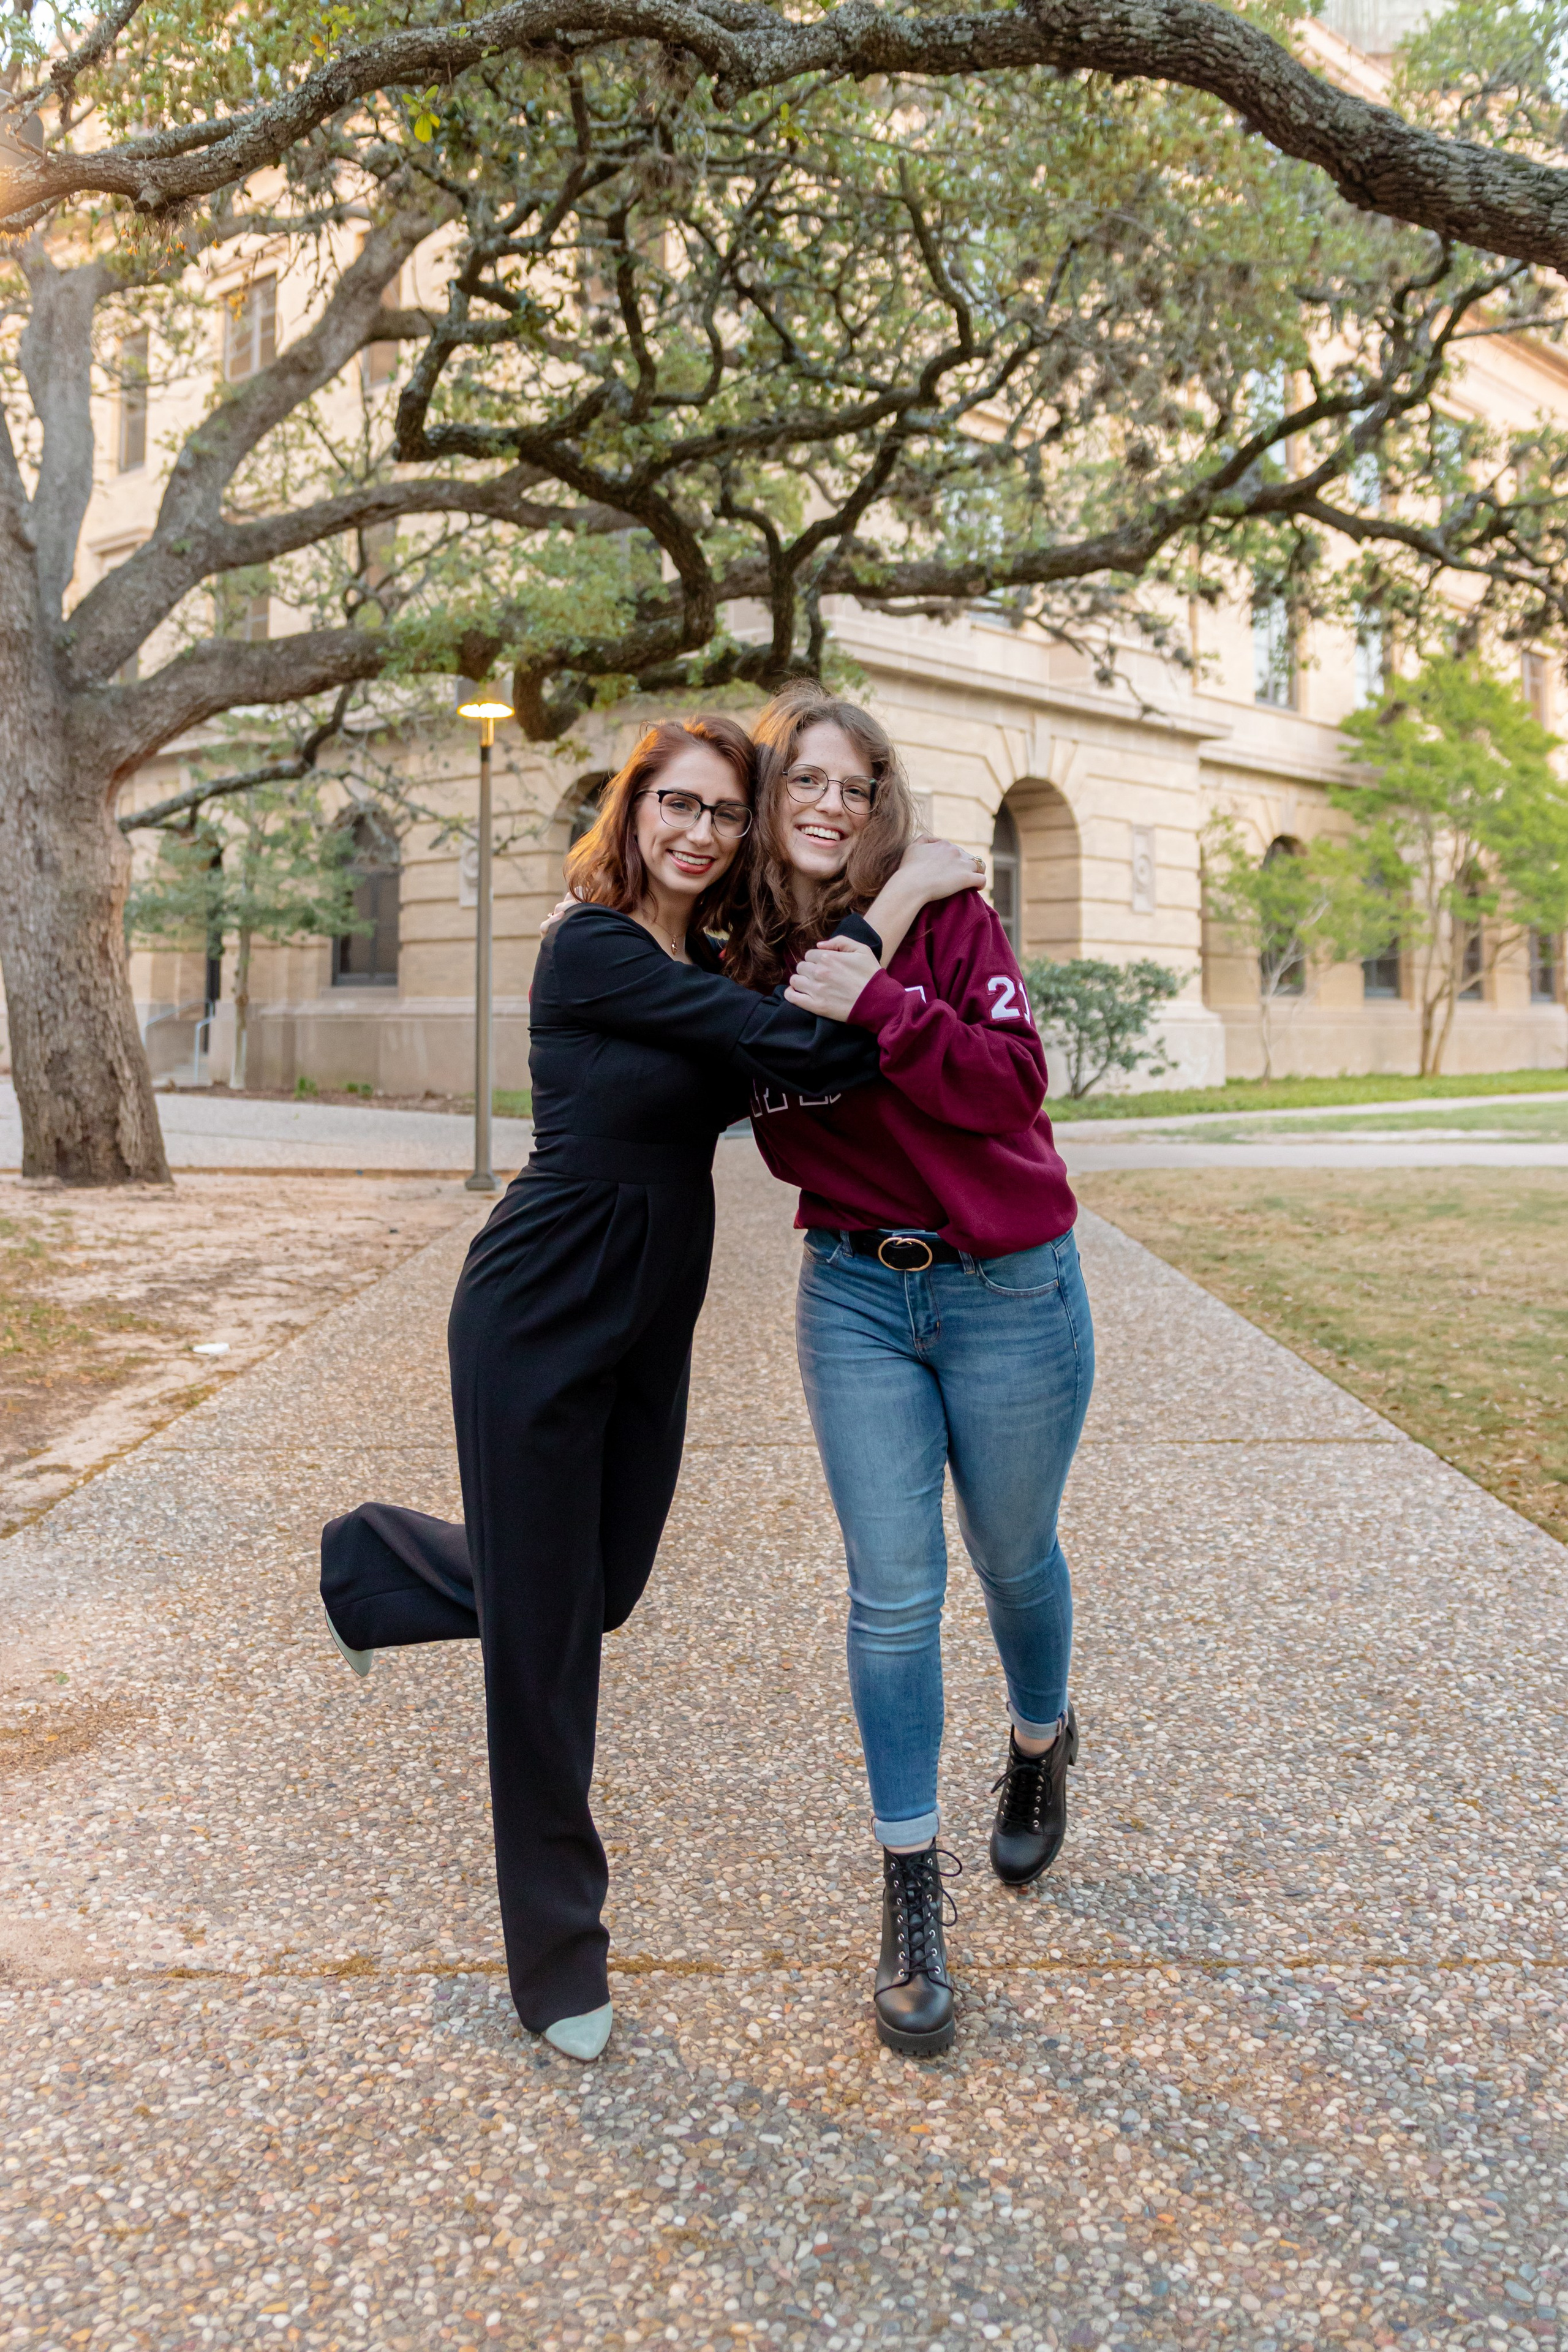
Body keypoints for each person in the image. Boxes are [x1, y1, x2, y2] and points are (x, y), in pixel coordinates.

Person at [319, 713, 982, 2064]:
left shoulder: (714, 962)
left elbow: (827, 1055)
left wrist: (851, 983)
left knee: (599, 1589)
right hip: (539, 1306)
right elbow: (813, 1047)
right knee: (547, 1652)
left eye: (726, 813)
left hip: (652, 1310)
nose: (700, 831)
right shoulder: (594, 946)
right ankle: (557, 1958)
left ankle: (372, 1565)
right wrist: (905, 895)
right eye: (676, 803)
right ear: (630, 811)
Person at [729, 681, 1091, 2058]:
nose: (830, 805)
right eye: (803, 781)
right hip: (854, 1298)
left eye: (855, 785)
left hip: (1008, 1289)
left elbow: (1010, 1085)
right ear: (767, 796)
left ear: (881, 802)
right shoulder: (737, 953)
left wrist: (884, 1000)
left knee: (1012, 1557)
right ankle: (909, 1890)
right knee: (891, 1597)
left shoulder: (951, 918)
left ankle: (1040, 1742)